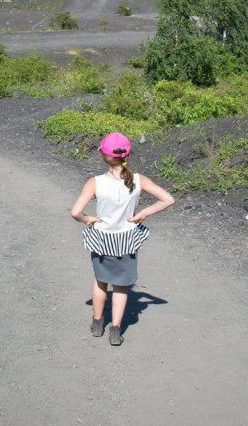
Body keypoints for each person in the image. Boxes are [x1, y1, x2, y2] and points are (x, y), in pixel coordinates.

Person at [68, 131, 174, 346]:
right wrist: (143, 213)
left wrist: (88, 218)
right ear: (127, 155)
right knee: (121, 287)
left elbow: (75, 212)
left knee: (101, 281)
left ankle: (98, 322)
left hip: (102, 239)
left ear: (103, 156)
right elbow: (167, 199)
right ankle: (116, 329)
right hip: (127, 239)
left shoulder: (94, 183)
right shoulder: (138, 180)